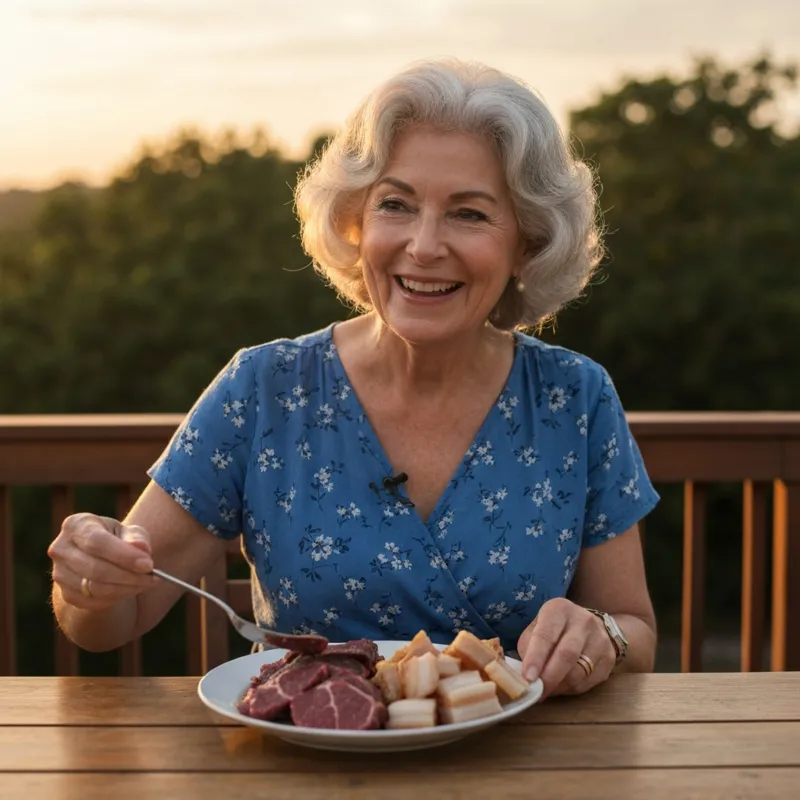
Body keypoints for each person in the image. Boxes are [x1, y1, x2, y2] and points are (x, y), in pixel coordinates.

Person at [47, 58, 659, 699]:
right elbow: (108, 627)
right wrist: (90, 578)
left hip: (520, 769)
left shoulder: (576, 398)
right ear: (355, 222)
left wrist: (601, 636)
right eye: (395, 204)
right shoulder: (264, 388)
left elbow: (636, 630)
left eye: (470, 214)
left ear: (528, 245)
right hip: (306, 769)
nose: (424, 246)